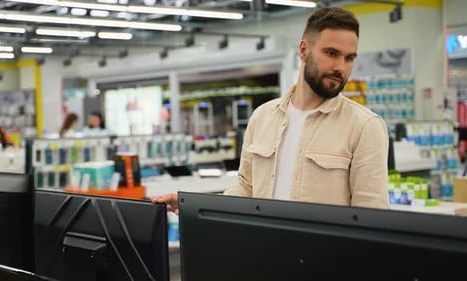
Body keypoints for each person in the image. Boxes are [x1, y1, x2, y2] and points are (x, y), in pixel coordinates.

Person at [152, 7, 389, 213]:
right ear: (304, 50)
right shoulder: (263, 117)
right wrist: (192, 207)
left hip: (326, 262)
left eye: (349, 58)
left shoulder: (364, 126)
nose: (341, 67)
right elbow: (245, 188)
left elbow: (370, 215)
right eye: (331, 54)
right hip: (266, 258)